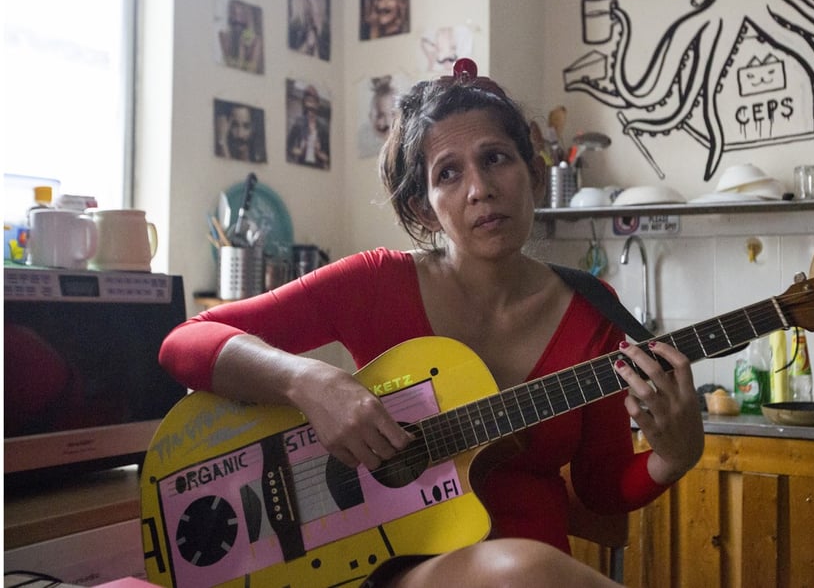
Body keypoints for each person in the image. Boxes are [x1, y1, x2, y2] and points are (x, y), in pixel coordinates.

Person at [160, 59, 704, 588]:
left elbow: (601, 489)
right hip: (394, 568)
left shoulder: (591, 308)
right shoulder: (375, 284)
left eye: (496, 158)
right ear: (424, 209)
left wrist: (673, 456)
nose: (480, 188)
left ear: (534, 175)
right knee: (520, 571)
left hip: (539, 570)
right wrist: (307, 382)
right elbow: (185, 342)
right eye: (449, 172)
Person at [286, 85, 330, 169]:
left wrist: (319, 152)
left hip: (318, 169)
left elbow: (328, 157)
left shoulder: (324, 127)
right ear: (305, 103)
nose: (311, 104)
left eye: (314, 101)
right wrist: (300, 151)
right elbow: (289, 147)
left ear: (317, 104)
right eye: (308, 101)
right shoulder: (298, 122)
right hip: (301, 167)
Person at [219, 0, 264, 74]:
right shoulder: (224, 36)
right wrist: (241, 50)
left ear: (248, 18)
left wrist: (242, 46)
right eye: (234, 13)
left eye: (241, 15)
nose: (237, 19)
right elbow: (232, 72)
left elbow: (250, 71)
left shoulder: (256, 41)